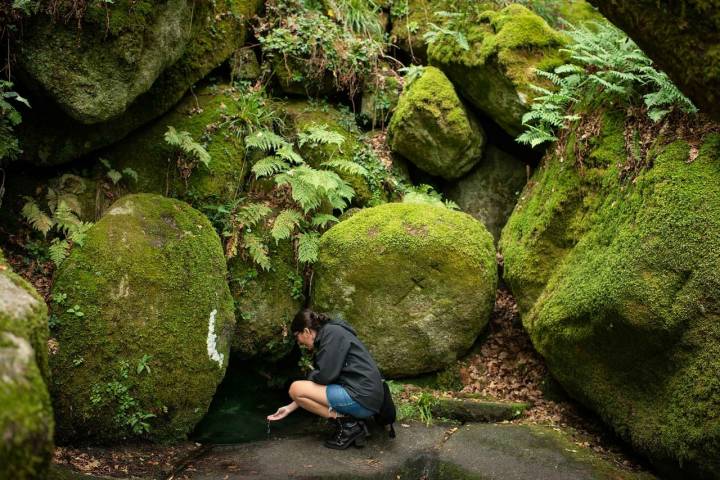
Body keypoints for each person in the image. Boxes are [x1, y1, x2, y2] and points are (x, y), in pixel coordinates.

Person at [267, 308, 384, 449]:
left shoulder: (331, 335)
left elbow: (325, 377)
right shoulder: (333, 333)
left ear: (306, 331)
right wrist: (290, 408)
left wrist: (310, 376)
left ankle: (349, 426)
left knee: (295, 387)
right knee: (298, 390)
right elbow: (325, 383)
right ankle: (349, 424)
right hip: (366, 397)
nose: (298, 342)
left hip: (362, 398)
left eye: (296, 336)